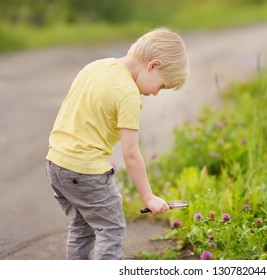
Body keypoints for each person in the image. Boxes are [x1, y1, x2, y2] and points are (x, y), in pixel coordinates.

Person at [45, 27, 189, 260]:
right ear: (153, 65)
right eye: (162, 86)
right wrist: (149, 198)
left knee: (82, 227)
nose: (156, 93)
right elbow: (131, 154)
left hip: (56, 163)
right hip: (86, 170)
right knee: (111, 229)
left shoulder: (95, 67)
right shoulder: (128, 94)